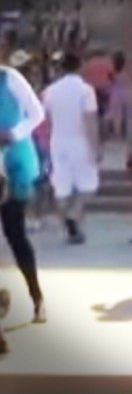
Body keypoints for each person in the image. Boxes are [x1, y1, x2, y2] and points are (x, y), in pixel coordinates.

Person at [0, 54, 47, 324]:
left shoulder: (11, 79)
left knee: (15, 235)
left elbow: (36, 113)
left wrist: (13, 133)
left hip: (13, 163)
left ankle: (37, 298)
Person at [42, 52, 101, 244]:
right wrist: (96, 145)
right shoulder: (85, 90)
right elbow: (90, 120)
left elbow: (46, 120)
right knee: (88, 184)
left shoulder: (50, 91)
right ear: (80, 66)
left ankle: (69, 226)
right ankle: (74, 214)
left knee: (61, 186)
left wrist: (45, 142)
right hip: (80, 140)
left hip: (57, 141)